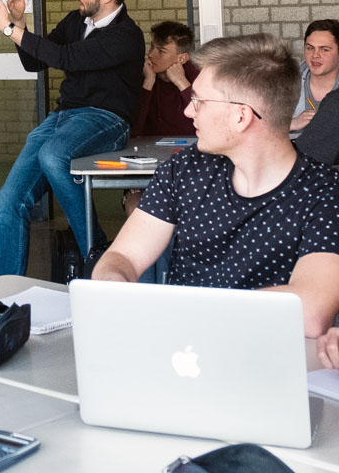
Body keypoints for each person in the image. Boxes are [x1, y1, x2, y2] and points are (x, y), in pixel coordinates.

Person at [93, 34, 339, 338]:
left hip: (270, 362)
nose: (188, 111)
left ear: (241, 116)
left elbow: (310, 310)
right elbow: (124, 256)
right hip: (184, 356)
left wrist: (186, 313)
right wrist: (112, 284)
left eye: (199, 101)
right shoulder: (183, 170)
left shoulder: (325, 192)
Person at [0, 0, 144, 276]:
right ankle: (3, 292)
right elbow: (36, 62)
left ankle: (94, 246)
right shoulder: (75, 22)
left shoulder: (126, 35)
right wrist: (20, 24)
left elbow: (65, 58)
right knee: (9, 199)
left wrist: (7, 28)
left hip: (106, 119)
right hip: (62, 119)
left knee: (54, 154)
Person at [123, 21, 199, 216]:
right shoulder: (141, 78)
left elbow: (209, 122)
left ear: (182, 58)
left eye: (161, 51)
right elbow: (133, 130)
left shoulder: (199, 77)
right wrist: (148, 83)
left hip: (190, 167)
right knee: (136, 207)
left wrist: (182, 83)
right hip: (146, 168)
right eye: (151, 48)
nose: (151, 55)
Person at [290, 19, 339, 132]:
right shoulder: (286, 81)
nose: (315, 55)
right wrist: (292, 124)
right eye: (310, 48)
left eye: (324, 50)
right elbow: (259, 126)